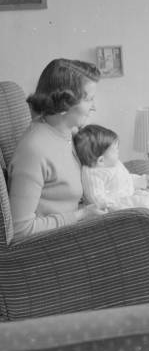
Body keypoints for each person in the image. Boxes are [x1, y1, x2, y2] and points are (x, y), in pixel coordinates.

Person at [8, 58, 107, 239]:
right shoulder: (34, 151)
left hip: (77, 228)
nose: (94, 107)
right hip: (56, 245)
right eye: (89, 99)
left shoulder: (69, 132)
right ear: (63, 104)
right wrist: (81, 215)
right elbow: (20, 229)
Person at [73, 124, 149, 236]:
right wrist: (110, 205)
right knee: (141, 207)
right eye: (115, 150)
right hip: (114, 206)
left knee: (147, 200)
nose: (118, 152)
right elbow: (95, 196)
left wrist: (143, 180)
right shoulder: (92, 173)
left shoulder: (113, 164)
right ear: (101, 160)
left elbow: (125, 179)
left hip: (127, 196)